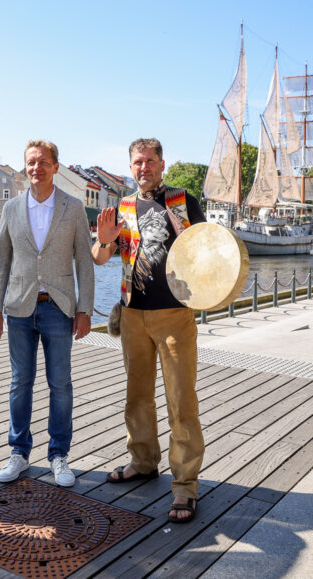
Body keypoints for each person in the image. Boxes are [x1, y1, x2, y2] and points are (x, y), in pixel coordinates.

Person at [91, 137, 206, 523]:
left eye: (150, 161)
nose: (144, 168)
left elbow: (207, 249)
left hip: (174, 312)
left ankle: (185, 485)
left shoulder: (182, 200)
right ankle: (142, 462)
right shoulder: (122, 207)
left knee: (181, 401)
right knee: (137, 395)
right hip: (133, 314)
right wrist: (104, 240)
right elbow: (99, 257)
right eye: (138, 162)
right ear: (131, 166)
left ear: (162, 164)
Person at [0, 140, 95, 487]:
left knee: (60, 384)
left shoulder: (73, 207)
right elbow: (0, 261)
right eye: (31, 163)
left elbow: (85, 261)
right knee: (20, 382)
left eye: (43, 162)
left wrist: (84, 309)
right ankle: (18, 452)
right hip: (19, 308)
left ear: (55, 167)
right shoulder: (11, 208)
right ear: (25, 167)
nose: (37, 168)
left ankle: (59, 455)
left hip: (59, 308)